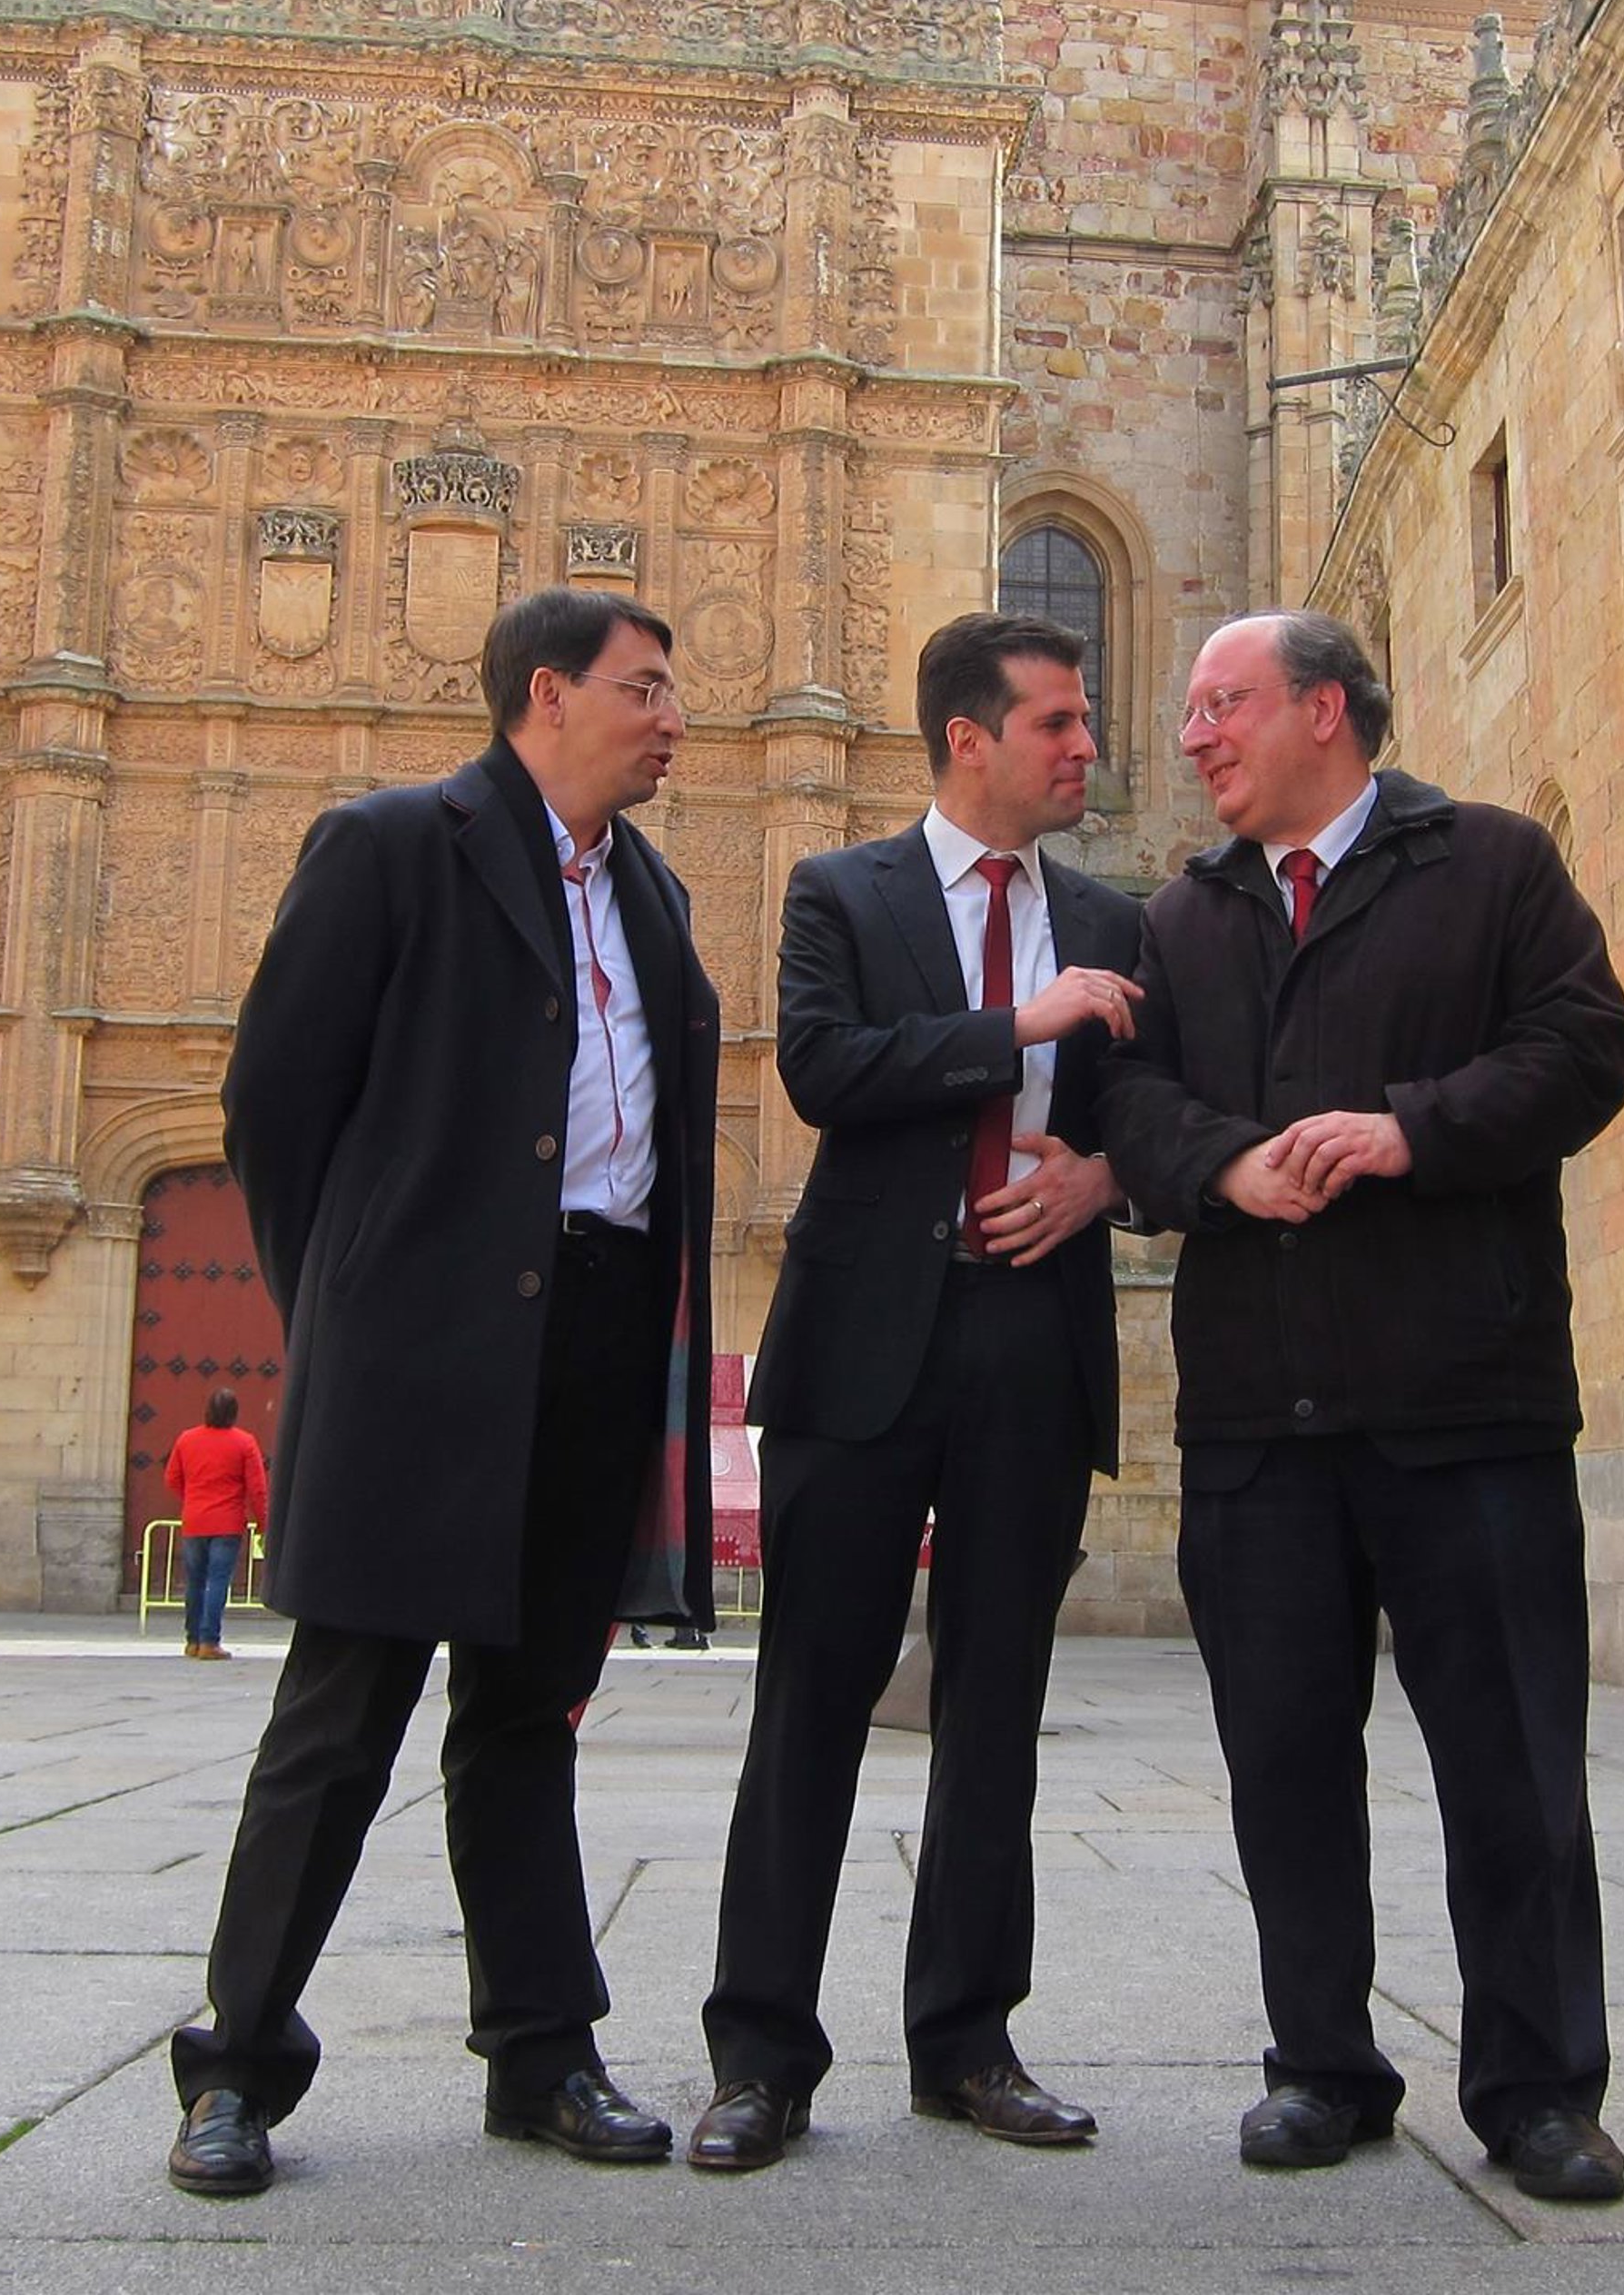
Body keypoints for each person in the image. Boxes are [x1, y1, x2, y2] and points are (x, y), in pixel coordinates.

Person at [166, 588, 718, 2197]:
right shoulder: (393, 846)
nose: (672, 718)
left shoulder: (655, 889)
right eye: (645, 688)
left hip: (600, 1335)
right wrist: (355, 1302)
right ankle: (236, 2069)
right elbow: (275, 1104)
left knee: (529, 1712)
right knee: (341, 1713)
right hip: (422, 1348)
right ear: (548, 693)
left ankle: (542, 2057)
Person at [1097, 609, 1624, 2201]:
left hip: (1468, 1406)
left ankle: (1539, 2090)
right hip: (1258, 1424)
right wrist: (1222, 1165)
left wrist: (1410, 1130)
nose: (1192, 734)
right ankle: (1321, 2066)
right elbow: (1126, 1106)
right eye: (1192, 710)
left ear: (1324, 710)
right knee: (1283, 1765)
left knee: (1513, 1767)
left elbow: (1588, 1046)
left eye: (1223, 704)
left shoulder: (1491, 862)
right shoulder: (1181, 916)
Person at [689, 613, 1142, 2172]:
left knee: (995, 1705)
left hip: (1032, 1340)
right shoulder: (844, 890)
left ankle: (967, 2044)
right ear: (968, 737)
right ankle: (761, 2057)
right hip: (863, 1339)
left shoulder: (1111, 918)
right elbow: (825, 1068)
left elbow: (1156, 1113)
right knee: (809, 1701)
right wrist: (1017, 1027)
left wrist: (1100, 1177)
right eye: (1059, 723)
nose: (1086, 746)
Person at [164, 1388, 268, 1660]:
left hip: (194, 1520)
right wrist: (263, 1523)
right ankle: (210, 1641)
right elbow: (257, 1488)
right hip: (227, 1523)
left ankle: (192, 1640)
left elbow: (172, 1478)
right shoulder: (244, 1442)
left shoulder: (187, 1439)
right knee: (218, 1581)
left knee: (195, 1582)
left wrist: (192, 1498)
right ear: (234, 1413)